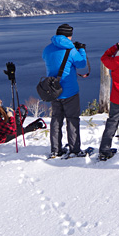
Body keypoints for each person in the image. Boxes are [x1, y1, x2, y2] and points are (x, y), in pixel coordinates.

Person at [42, 23, 89, 158]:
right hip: (70, 91)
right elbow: (81, 64)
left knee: (56, 119)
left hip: (53, 90)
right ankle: (74, 149)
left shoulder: (47, 49)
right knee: (72, 119)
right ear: (69, 36)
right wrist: (82, 50)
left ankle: (55, 150)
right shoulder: (71, 50)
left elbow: (48, 60)